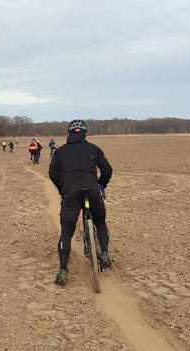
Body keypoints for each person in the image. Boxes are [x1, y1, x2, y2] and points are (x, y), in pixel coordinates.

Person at [48, 119, 113, 286]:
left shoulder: (60, 152)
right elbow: (107, 170)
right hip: (92, 190)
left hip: (71, 193)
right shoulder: (93, 149)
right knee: (99, 221)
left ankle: (63, 269)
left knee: (67, 232)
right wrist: (101, 185)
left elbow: (52, 172)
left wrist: (63, 188)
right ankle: (104, 254)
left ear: (69, 134)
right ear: (85, 133)